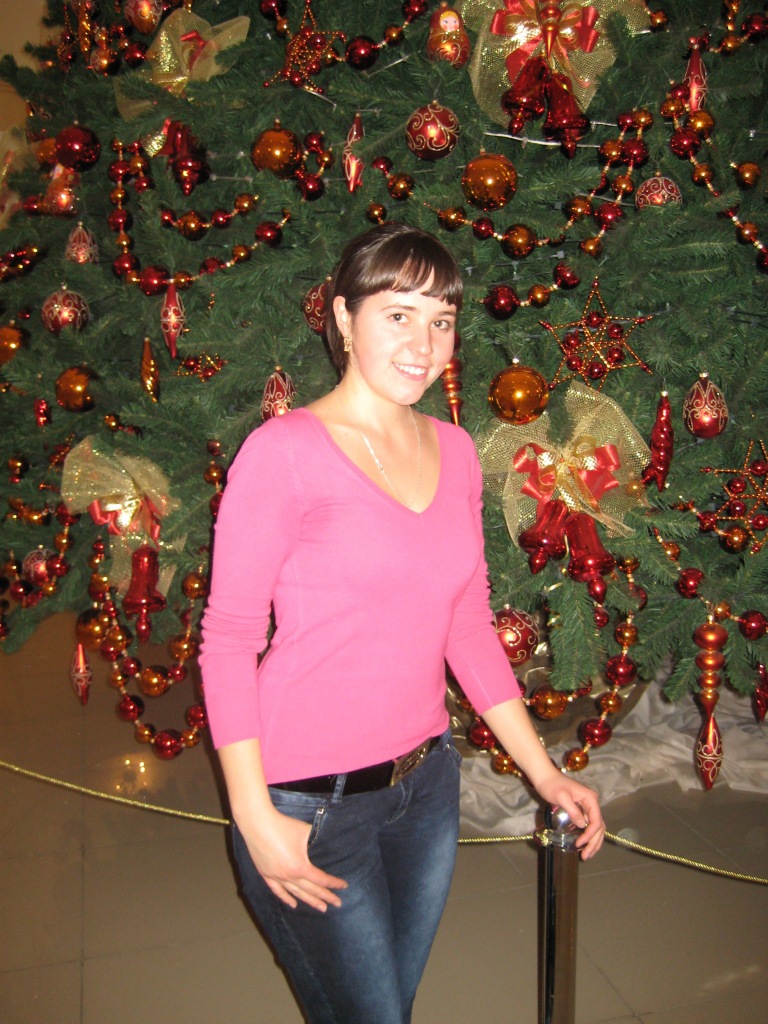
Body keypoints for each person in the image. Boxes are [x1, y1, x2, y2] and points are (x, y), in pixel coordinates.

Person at [199, 223, 604, 1024]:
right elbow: (228, 638)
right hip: (307, 802)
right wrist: (253, 815)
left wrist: (544, 771)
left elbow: (468, 626)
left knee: (387, 1007)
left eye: (441, 320)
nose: (424, 345)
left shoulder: (456, 452)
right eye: (397, 315)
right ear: (343, 318)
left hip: (426, 789)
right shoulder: (282, 452)